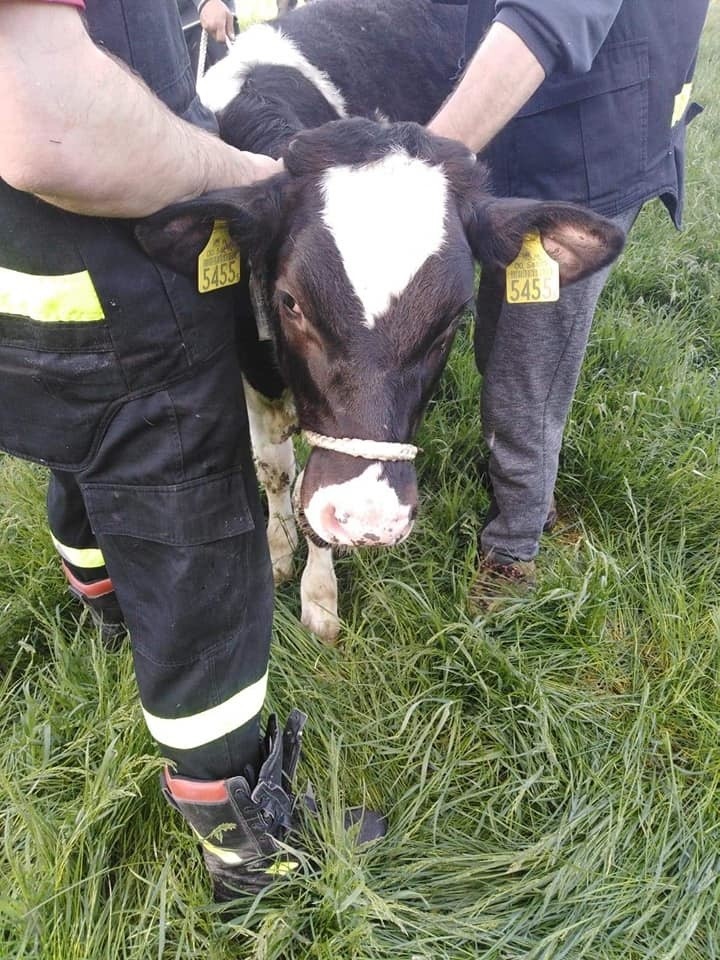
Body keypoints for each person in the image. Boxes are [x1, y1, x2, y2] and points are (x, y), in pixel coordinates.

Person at [0, 0, 382, 901]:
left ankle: (107, 614)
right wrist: (244, 172)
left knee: (75, 454)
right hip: (117, 297)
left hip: (22, 301)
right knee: (199, 568)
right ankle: (252, 852)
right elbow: (48, 124)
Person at [428, 0, 710, 604]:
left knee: (527, 372)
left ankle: (515, 545)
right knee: (498, 341)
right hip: (527, 139)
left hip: (581, 159)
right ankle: (523, 479)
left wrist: (420, 168)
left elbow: (544, 18)